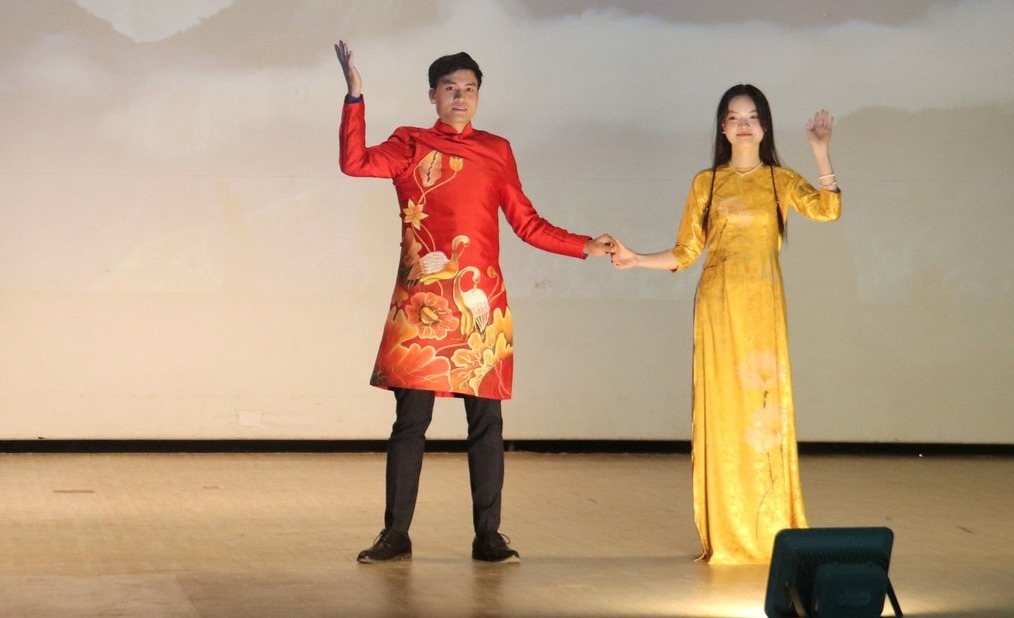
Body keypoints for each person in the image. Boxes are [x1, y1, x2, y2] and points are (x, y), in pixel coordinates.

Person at [335, 40, 616, 564]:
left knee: (486, 425)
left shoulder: (496, 150)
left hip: (479, 304)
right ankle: (395, 534)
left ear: (479, 96)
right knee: (410, 424)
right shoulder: (410, 143)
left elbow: (527, 223)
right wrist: (355, 97)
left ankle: (489, 535)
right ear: (432, 95)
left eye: (469, 89)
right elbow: (355, 162)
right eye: (450, 88)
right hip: (422, 302)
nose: (460, 97)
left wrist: (583, 245)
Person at [610, 84, 841, 565]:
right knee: (723, 413)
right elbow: (687, 251)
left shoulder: (780, 180)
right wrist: (637, 260)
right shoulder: (707, 183)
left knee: (764, 411)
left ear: (765, 126)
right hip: (717, 308)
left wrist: (821, 154)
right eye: (734, 117)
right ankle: (729, 527)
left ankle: (770, 523)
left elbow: (827, 210)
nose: (743, 124)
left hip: (763, 310)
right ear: (722, 127)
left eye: (752, 116)